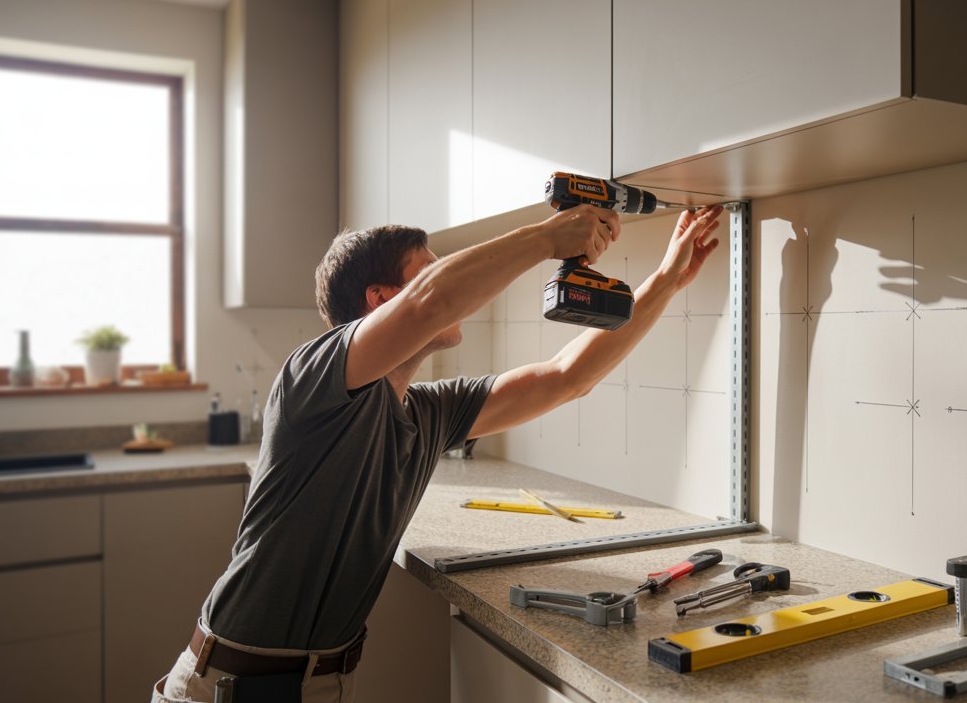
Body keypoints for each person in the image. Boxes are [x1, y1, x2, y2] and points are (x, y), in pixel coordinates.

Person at [152, 202, 724, 702]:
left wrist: (667, 280)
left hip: (319, 684)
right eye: (428, 270)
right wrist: (549, 237)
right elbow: (431, 302)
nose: (449, 291)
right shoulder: (314, 375)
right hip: (233, 684)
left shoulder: (429, 412)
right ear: (380, 300)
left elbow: (565, 377)